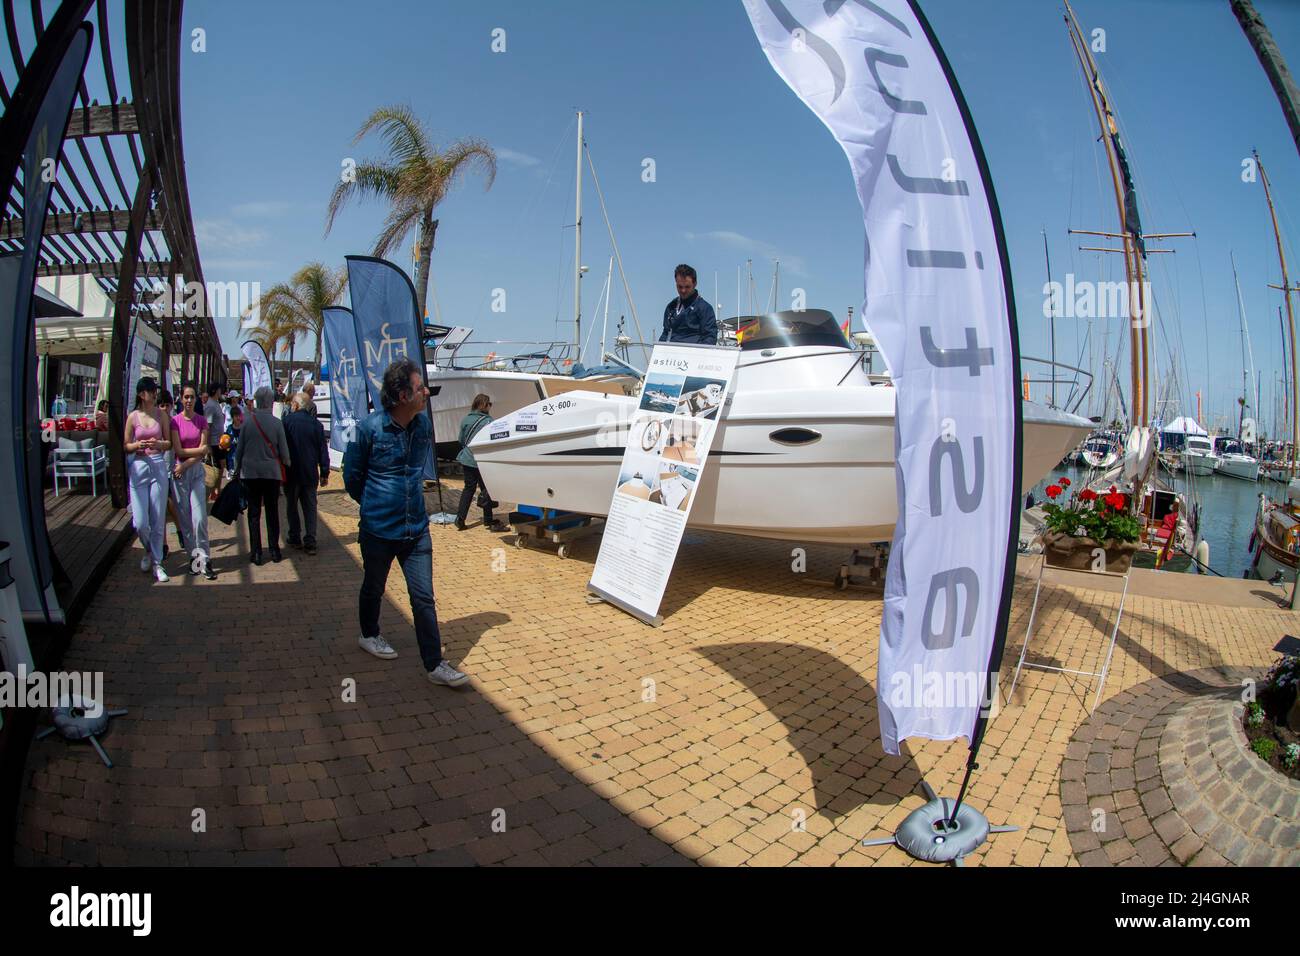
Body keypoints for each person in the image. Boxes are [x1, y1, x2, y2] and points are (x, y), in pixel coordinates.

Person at [344, 358, 469, 687]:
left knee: (423, 597)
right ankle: (369, 634)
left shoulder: (423, 426)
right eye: (419, 388)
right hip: (378, 531)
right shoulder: (367, 429)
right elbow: (352, 478)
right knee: (374, 586)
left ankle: (434, 664)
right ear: (402, 395)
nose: (426, 392)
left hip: (416, 530)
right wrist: (374, 505)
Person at [233, 385, 291, 565]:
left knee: (254, 513)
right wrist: (287, 464)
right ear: (271, 402)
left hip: (250, 473)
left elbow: (239, 451)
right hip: (271, 473)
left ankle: (256, 552)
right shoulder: (276, 423)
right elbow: (284, 452)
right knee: (272, 512)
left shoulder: (247, 423)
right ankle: (274, 550)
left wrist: (236, 470)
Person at [124, 377, 172, 582]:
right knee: (140, 522)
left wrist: (158, 443)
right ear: (141, 394)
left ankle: (157, 563)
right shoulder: (132, 417)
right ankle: (149, 550)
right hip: (140, 466)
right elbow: (126, 445)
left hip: (158, 464)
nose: (154, 394)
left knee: (158, 517)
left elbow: (169, 443)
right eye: (151, 391)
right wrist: (137, 445)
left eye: (155, 391)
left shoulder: (161, 416)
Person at [171, 384, 216, 579]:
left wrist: (187, 461)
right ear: (181, 399)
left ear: (196, 399)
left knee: (200, 518)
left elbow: (204, 449)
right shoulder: (174, 422)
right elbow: (179, 450)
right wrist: (197, 452)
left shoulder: (201, 421)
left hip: (194, 472)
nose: (189, 400)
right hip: (180, 475)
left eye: (192, 397)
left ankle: (205, 559)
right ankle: (194, 559)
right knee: (185, 519)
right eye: (186, 397)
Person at [283, 391, 329, 555]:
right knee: (310, 507)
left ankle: (294, 536)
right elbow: (323, 450)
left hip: (291, 472)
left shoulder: (287, 422)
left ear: (295, 405)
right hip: (310, 473)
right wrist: (324, 472)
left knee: (292, 506)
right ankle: (310, 540)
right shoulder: (316, 425)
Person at [455, 394, 503, 531]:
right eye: (490, 404)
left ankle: (460, 518)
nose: (490, 407)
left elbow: (461, 440)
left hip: (467, 458)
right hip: (482, 460)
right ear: (484, 405)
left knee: (468, 489)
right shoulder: (489, 421)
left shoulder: (466, 419)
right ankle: (488, 520)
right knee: (486, 489)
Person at [659, 263, 717, 344]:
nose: (683, 291)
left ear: (695, 284)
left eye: (687, 287)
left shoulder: (705, 308)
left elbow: (710, 337)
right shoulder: (671, 307)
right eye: (680, 287)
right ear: (675, 283)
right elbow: (665, 333)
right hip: (672, 353)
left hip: (694, 353)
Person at [205, 381, 228, 499]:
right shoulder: (210, 405)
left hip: (220, 441)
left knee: (221, 466)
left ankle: (216, 490)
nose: (221, 392)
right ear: (215, 390)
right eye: (219, 389)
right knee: (217, 467)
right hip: (214, 442)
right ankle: (214, 491)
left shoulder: (216, 403)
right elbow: (207, 426)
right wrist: (207, 445)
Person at [224, 405, 243, 478]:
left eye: (239, 415)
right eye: (236, 416)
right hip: (232, 460)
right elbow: (226, 445)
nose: (238, 418)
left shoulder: (244, 428)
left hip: (242, 461)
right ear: (232, 417)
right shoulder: (229, 429)